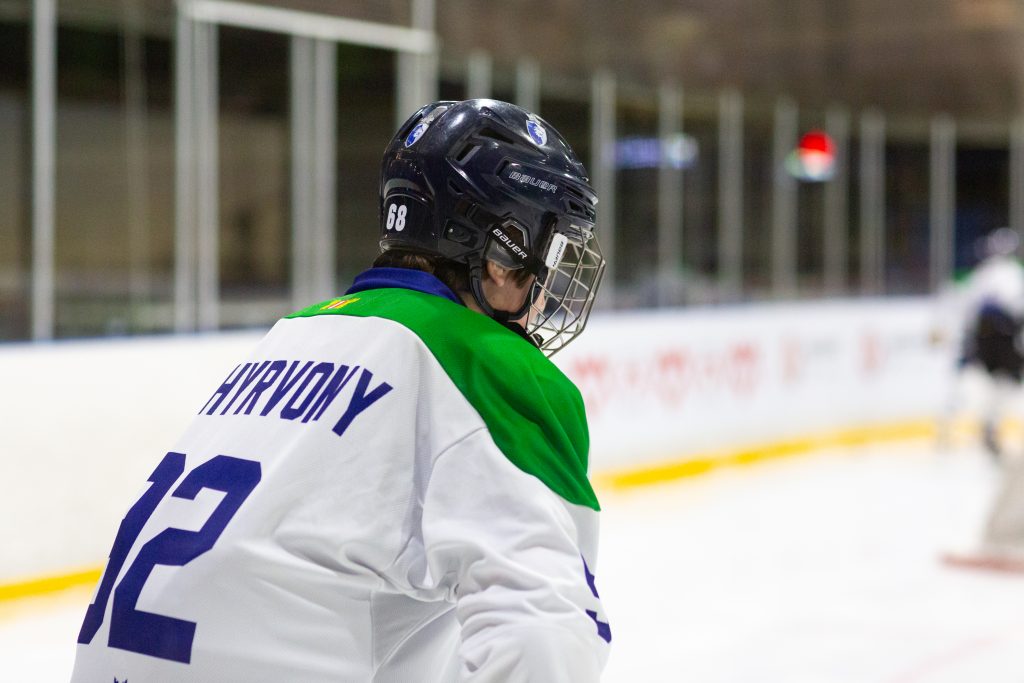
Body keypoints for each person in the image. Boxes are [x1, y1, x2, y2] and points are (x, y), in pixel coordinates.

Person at [71, 99, 611, 681]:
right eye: (547, 253)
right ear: (503, 255)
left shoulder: (295, 334)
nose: (545, 288)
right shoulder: (485, 362)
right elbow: (543, 633)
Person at [936, 227, 1024, 457]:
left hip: (980, 336)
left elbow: (964, 306)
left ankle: (948, 425)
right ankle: (990, 425)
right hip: (1002, 337)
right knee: (1006, 381)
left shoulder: (981, 273)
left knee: (970, 378)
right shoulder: (1014, 272)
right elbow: (1016, 309)